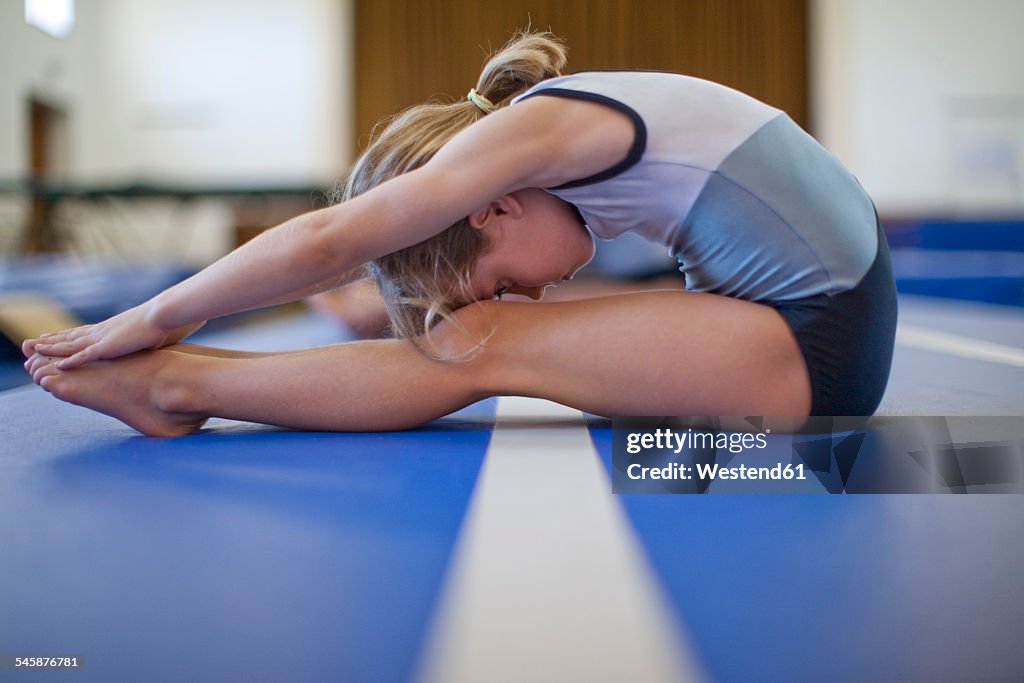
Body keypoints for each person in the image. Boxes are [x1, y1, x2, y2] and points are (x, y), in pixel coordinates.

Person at [22, 30, 897, 436]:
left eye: (498, 275)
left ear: (488, 208)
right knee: (479, 333)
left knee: (480, 341)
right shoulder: (570, 133)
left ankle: (172, 385)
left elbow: (329, 241)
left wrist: (152, 318)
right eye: (513, 287)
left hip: (817, 344)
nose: (533, 292)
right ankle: (189, 378)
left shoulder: (531, 135)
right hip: (811, 327)